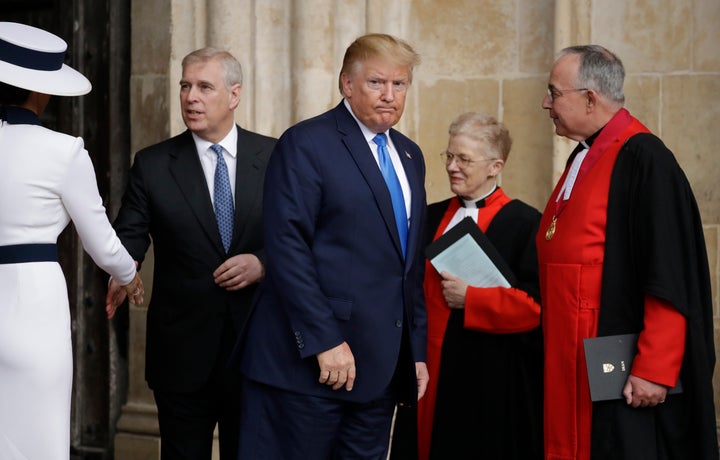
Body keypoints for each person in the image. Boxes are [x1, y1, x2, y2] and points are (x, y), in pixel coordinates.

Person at [234, 33, 429, 459]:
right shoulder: (306, 143)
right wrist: (324, 340)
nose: (389, 95)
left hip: (379, 372)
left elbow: (407, 266)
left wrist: (415, 352)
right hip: (307, 369)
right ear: (347, 84)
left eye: (400, 85)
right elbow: (288, 249)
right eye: (377, 82)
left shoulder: (410, 155)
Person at [537, 44, 718, 459]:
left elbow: (669, 272)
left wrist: (654, 367)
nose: (546, 102)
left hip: (615, 364)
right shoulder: (582, 157)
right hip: (569, 355)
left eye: (554, 92)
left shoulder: (645, 158)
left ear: (589, 97)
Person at [106, 47, 276, 460]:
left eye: (204, 87)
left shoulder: (275, 156)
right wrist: (122, 267)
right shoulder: (153, 164)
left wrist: (263, 263)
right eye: (185, 86)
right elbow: (131, 232)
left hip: (255, 346)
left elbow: (302, 235)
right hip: (182, 353)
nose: (191, 97)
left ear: (234, 95)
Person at [0, 22, 144, 459]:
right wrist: (129, 274)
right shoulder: (63, 151)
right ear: (43, 92)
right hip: (33, 305)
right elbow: (101, 243)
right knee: (39, 434)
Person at [390, 112, 544, 460]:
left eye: (464, 159)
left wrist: (472, 299)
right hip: (425, 365)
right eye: (449, 156)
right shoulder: (429, 215)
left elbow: (536, 307)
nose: (452, 167)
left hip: (487, 372)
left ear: (495, 166)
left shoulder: (523, 223)